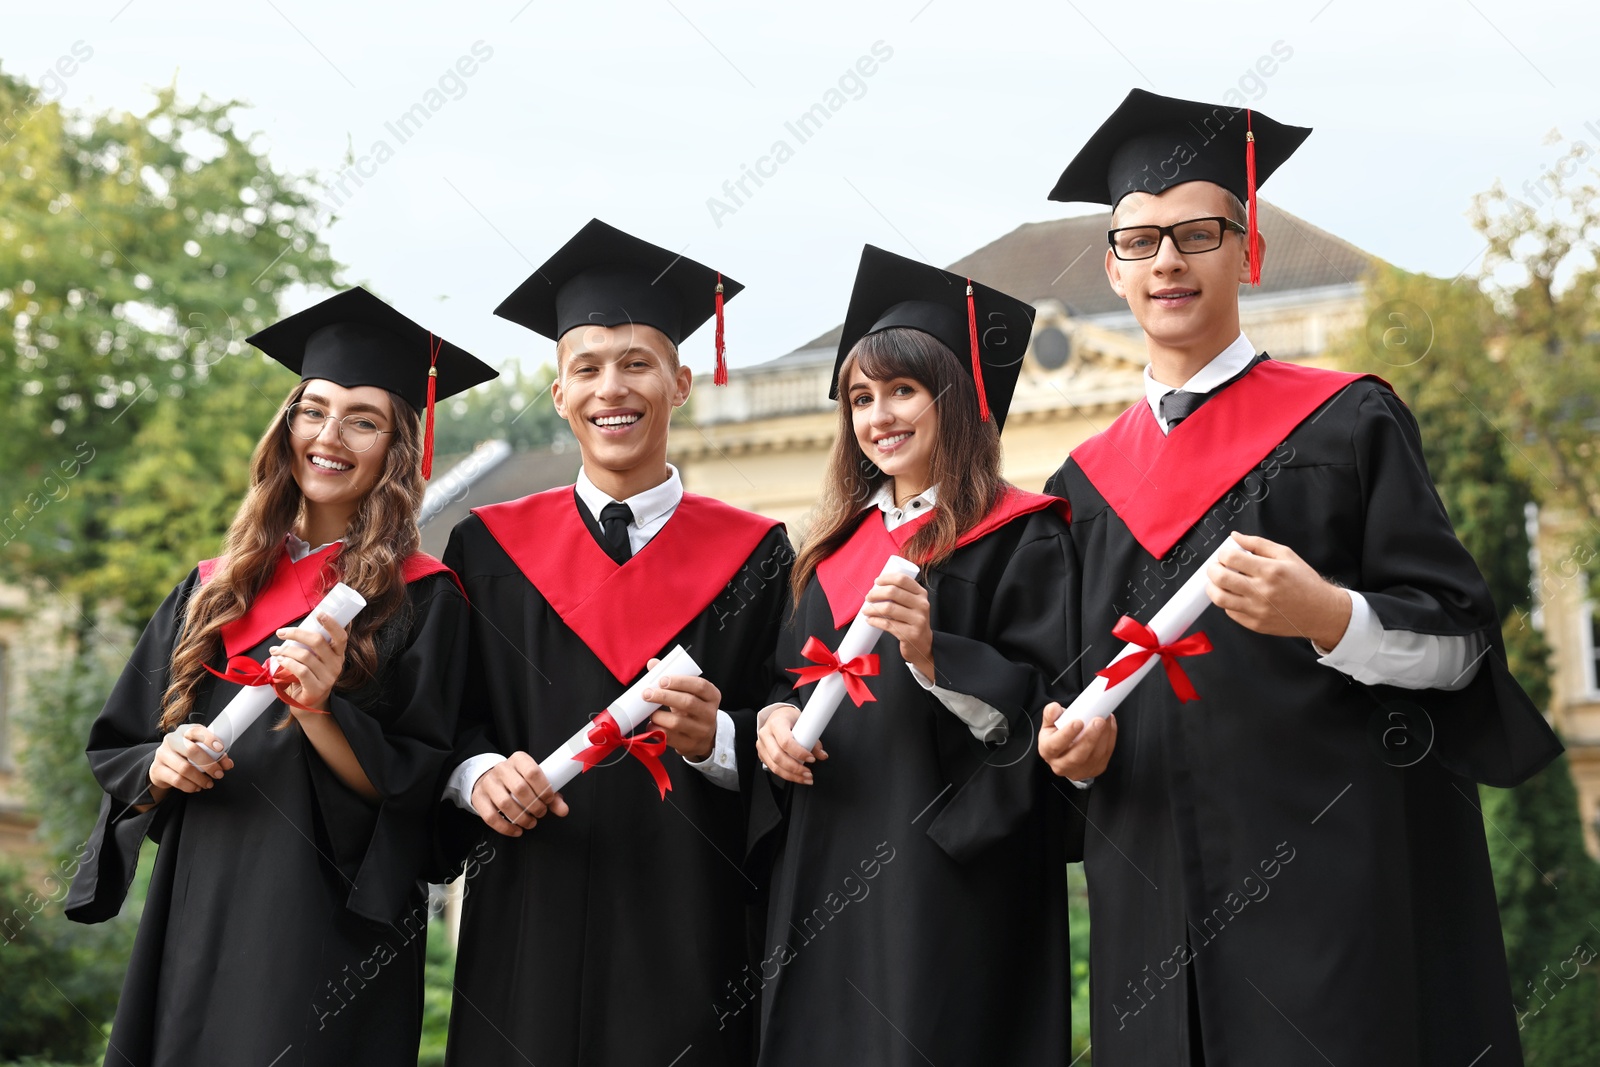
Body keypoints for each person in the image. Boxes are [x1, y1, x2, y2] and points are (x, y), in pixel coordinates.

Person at [1035, 89, 1563, 1065]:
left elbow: (1455, 647)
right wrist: (1068, 746)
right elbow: (1070, 701)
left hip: (1333, 909)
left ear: (1250, 251)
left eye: (1197, 232)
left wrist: (1329, 615)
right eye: (1140, 239)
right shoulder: (1078, 489)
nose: (1167, 260)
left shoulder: (1346, 424)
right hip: (1153, 924)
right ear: (1111, 267)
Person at [65, 287, 495, 1066]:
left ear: (398, 447)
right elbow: (120, 745)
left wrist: (322, 707)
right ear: (286, 424)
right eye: (313, 409)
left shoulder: (424, 598)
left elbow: (414, 790)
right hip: (195, 907)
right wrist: (162, 764)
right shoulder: (215, 586)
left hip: (322, 928)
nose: (329, 436)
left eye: (363, 418)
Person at [436, 219, 793, 1067]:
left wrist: (722, 741)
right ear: (559, 394)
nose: (611, 388)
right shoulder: (485, 549)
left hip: (690, 921)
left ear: (680, 383)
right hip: (529, 907)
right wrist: (478, 774)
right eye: (586, 368)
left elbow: (790, 721)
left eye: (636, 362)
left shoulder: (758, 555)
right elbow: (442, 720)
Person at [751, 245, 1090, 1066]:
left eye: (903, 390)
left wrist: (937, 656)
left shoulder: (1023, 534)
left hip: (951, 880)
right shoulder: (827, 552)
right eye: (861, 398)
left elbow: (1056, 710)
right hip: (824, 866)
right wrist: (771, 718)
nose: (879, 416)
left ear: (958, 399)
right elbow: (779, 682)